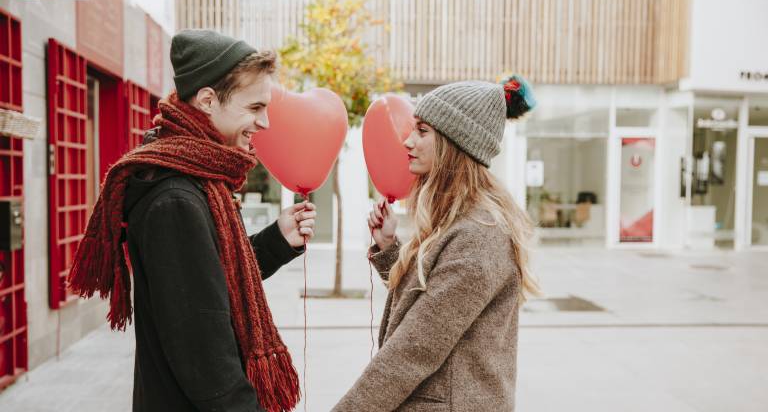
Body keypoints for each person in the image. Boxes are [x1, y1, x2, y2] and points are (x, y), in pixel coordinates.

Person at [68, 29, 313, 412]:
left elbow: (212, 282)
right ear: (208, 100)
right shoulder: (176, 198)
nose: (265, 122)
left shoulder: (197, 179)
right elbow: (203, 349)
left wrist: (277, 240)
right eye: (254, 108)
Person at [333, 76, 541, 411]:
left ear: (453, 143)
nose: (407, 141)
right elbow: (429, 302)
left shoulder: (479, 235)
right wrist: (390, 251)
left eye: (422, 131)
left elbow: (414, 349)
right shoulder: (458, 219)